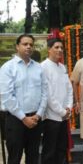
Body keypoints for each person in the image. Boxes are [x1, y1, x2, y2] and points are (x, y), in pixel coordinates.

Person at [0, 34, 48, 164]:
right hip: (16, 121)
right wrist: (23, 118)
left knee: (33, 158)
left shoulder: (39, 68)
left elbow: (45, 93)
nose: (28, 47)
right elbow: (6, 96)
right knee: (14, 158)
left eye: (31, 45)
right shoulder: (7, 68)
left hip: (35, 121)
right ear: (17, 46)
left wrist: (38, 115)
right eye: (25, 44)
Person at [41, 38, 73, 164]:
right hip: (51, 117)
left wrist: (69, 107)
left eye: (61, 47)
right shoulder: (43, 67)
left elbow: (69, 88)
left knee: (61, 148)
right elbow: (48, 94)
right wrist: (61, 111)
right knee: (49, 150)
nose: (60, 50)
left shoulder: (62, 67)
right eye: (56, 47)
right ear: (49, 49)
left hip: (64, 116)